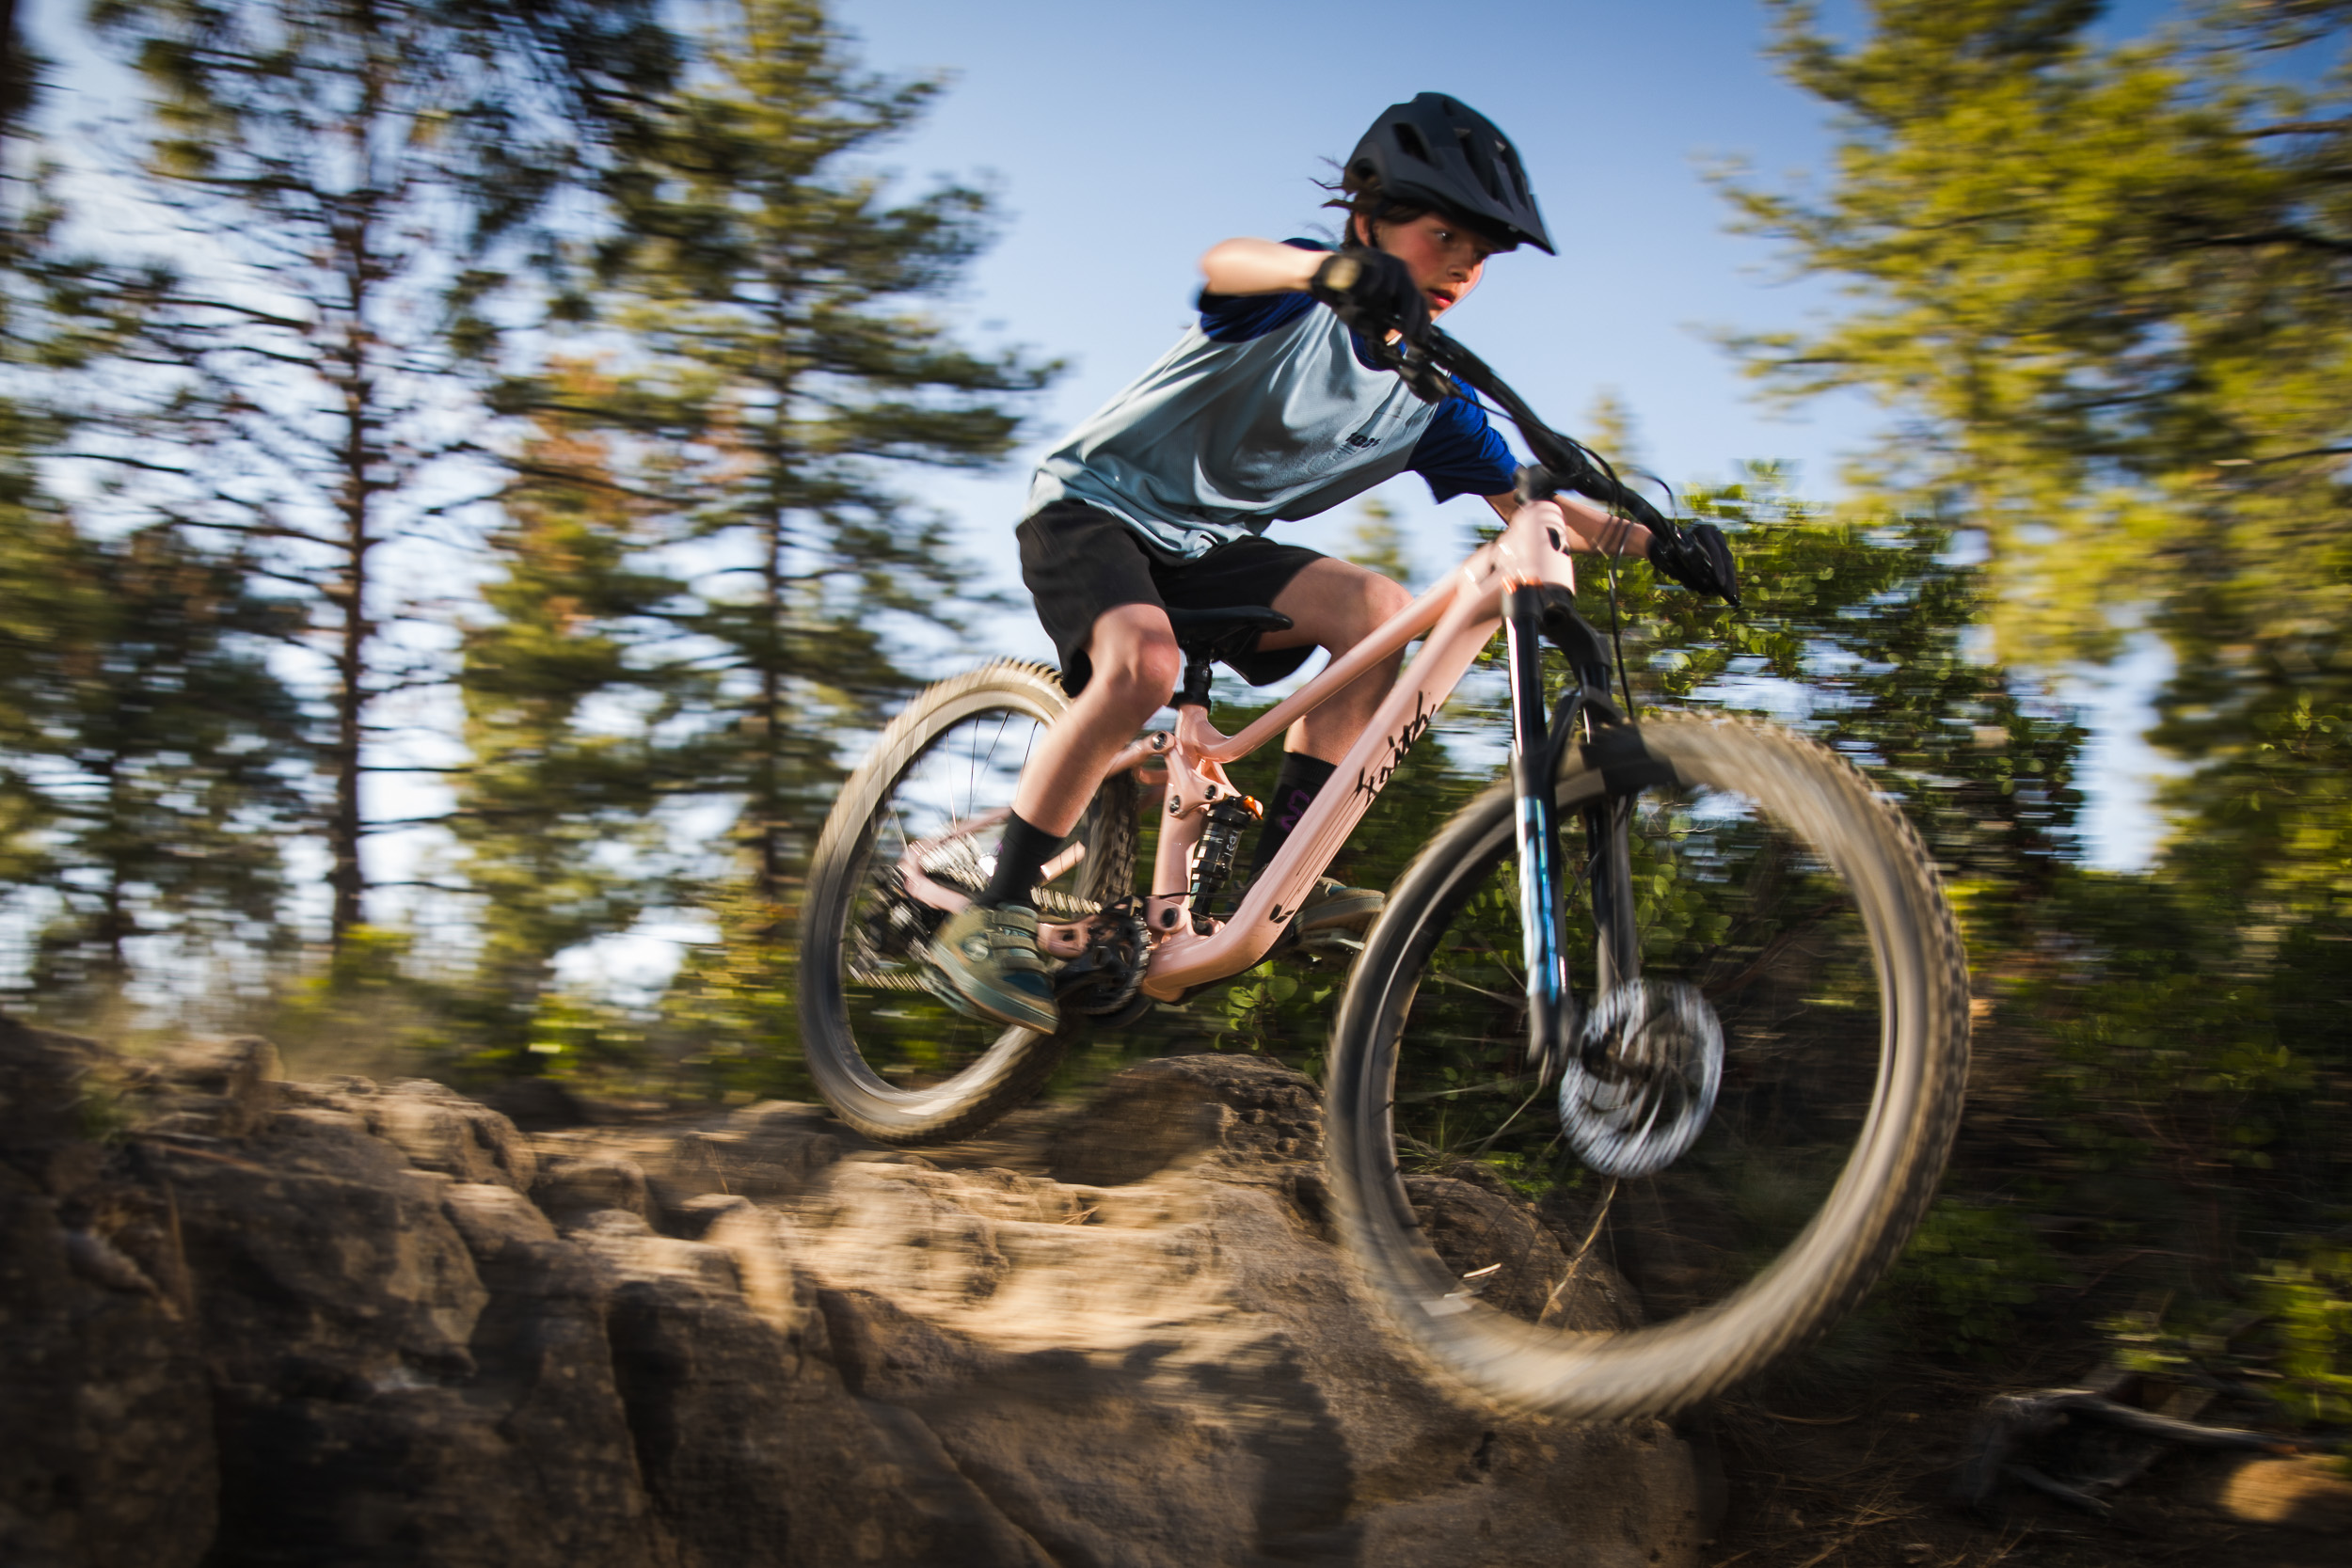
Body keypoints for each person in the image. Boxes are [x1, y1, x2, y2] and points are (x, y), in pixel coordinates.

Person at [925, 92, 1729, 1033]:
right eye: (1445, 236)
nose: (1465, 264)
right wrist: (1328, 270)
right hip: (1092, 507)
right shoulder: (1289, 297)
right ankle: (995, 910)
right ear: (1367, 214)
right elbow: (1223, 262)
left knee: (1376, 604)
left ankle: (1285, 875)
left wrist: (1659, 542)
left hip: (1207, 551)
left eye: (1481, 254)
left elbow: (1529, 502)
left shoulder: (1428, 397)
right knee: (1140, 663)